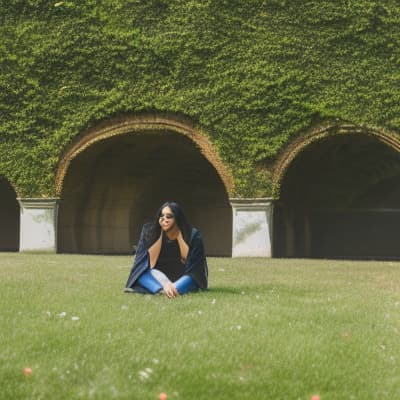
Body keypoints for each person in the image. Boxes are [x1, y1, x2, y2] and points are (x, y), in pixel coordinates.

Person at [124, 201, 208, 298]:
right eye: (162, 216)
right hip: (158, 277)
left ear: (177, 219)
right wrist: (160, 233)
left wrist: (179, 237)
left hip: (183, 276)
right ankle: (164, 290)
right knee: (141, 273)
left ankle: (168, 290)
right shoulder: (150, 232)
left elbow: (189, 265)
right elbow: (150, 264)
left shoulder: (193, 235)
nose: (164, 219)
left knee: (193, 278)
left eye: (169, 216)